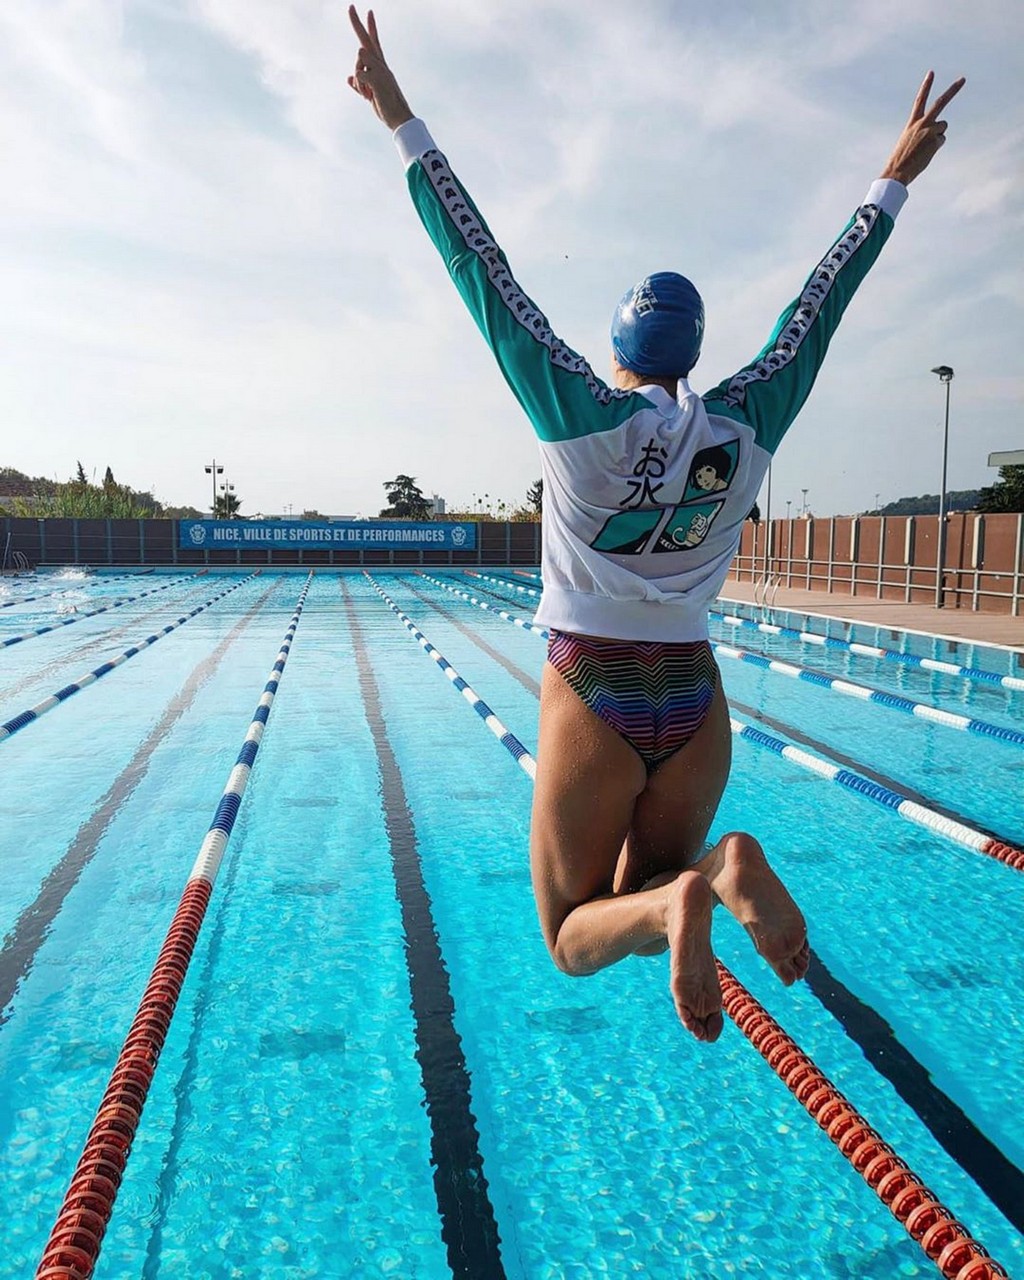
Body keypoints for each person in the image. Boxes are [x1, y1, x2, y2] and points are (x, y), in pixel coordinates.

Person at [347, 7, 964, 1042]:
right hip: (694, 696)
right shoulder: (748, 419)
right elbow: (820, 305)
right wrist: (889, 180)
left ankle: (692, 894)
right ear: (690, 347)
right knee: (654, 878)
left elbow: (481, 271)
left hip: (592, 684)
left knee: (568, 932)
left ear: (622, 344)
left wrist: (397, 115)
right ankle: (717, 871)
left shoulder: (577, 410)